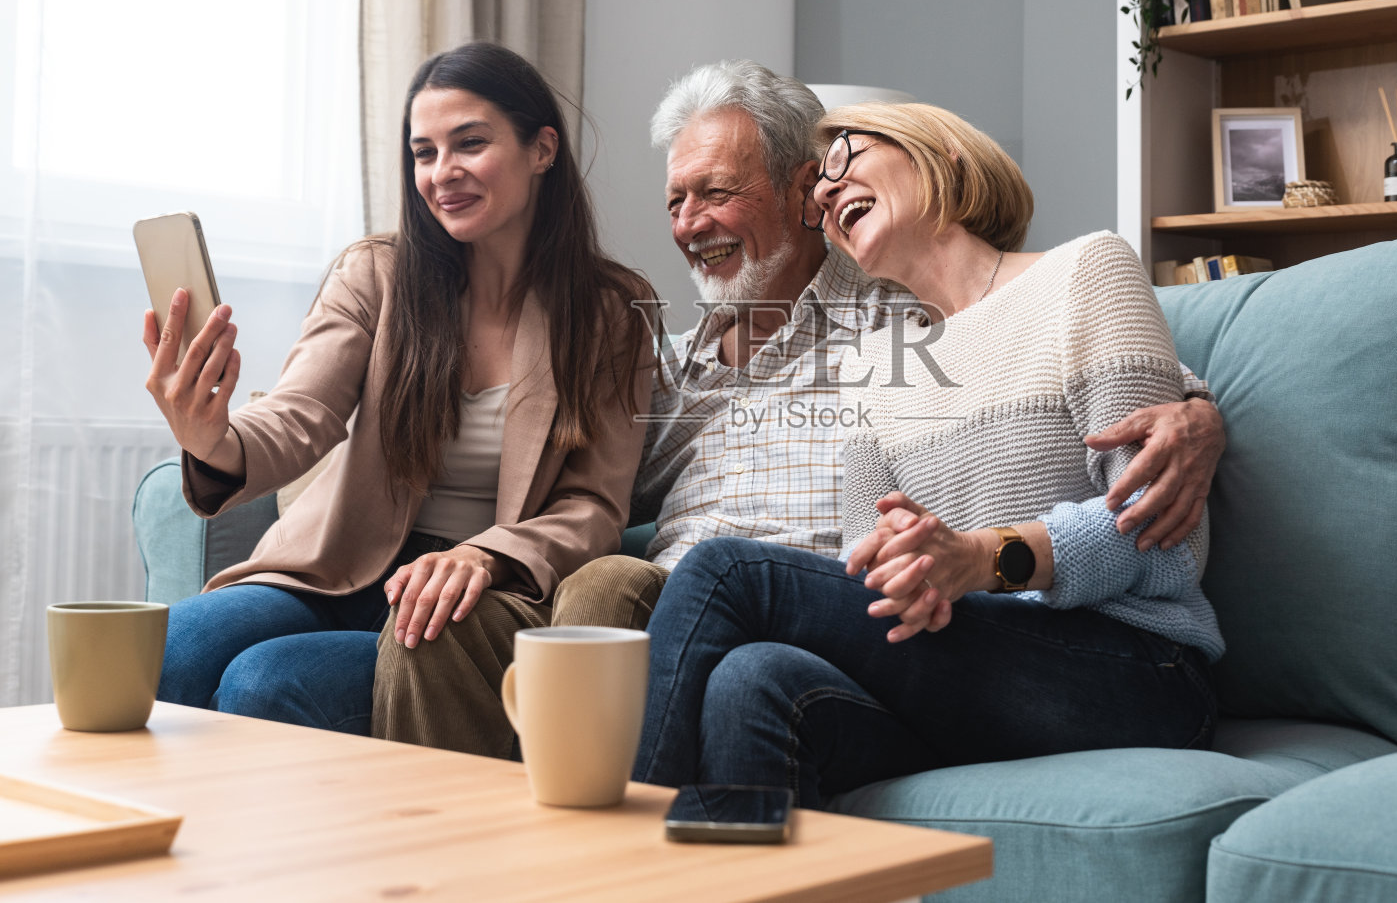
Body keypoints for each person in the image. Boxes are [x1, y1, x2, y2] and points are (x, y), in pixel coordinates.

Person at [371, 60, 1225, 757]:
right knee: (450, 629)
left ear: (797, 191)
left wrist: (1197, 407)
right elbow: (570, 478)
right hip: (888, 631)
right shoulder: (683, 368)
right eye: (675, 202)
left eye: (716, 191)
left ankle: (596, 862)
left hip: (870, 616)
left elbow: (1094, 377)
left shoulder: (903, 320)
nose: (690, 222)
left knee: (651, 585)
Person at [632, 102, 1223, 808]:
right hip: (974, 677)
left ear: (941, 153)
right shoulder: (876, 363)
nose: (824, 191)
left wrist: (981, 559)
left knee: (727, 572)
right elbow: (868, 578)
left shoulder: (1086, 272)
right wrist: (904, 570)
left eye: (845, 159)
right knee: (752, 679)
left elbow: (1165, 550)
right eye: (818, 186)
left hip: (1136, 668)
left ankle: (601, 858)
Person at [147, 42, 654, 740]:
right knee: (168, 651)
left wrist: (485, 553)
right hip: (338, 570)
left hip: (473, 598)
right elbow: (302, 414)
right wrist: (212, 438)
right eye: (424, 152)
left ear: (542, 150)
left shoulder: (611, 311)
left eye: (469, 144)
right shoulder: (376, 274)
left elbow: (594, 505)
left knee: (264, 683)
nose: (442, 173)